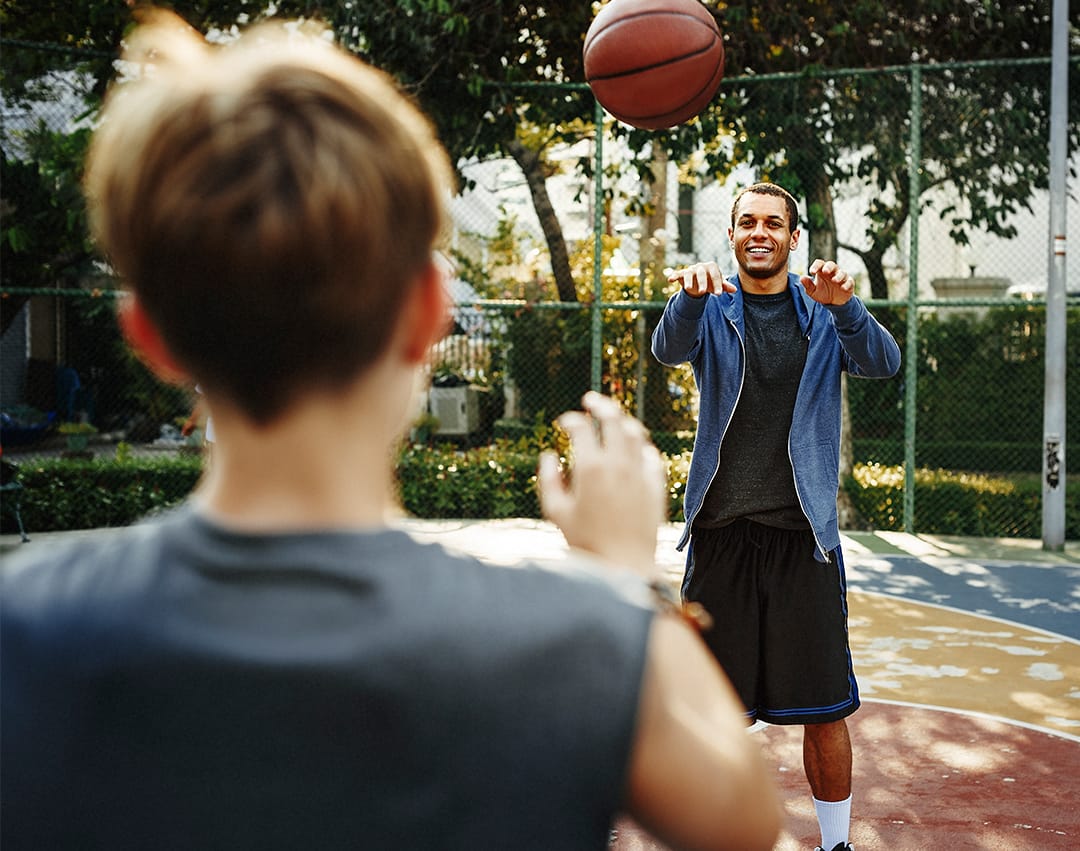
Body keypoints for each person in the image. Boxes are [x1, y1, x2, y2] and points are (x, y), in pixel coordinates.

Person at [0, 11, 782, 851]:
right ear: (427, 313)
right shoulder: (566, 641)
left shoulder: (25, 630)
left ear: (149, 336)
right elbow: (742, 823)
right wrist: (630, 581)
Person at [652, 182, 902, 851]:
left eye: (772, 223)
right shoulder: (711, 305)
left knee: (826, 709)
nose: (758, 233)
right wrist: (688, 297)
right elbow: (667, 348)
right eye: (746, 222)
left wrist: (847, 307)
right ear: (732, 234)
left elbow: (884, 362)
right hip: (722, 535)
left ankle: (836, 845)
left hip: (804, 538)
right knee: (709, 712)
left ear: (794, 238)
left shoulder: (824, 309)